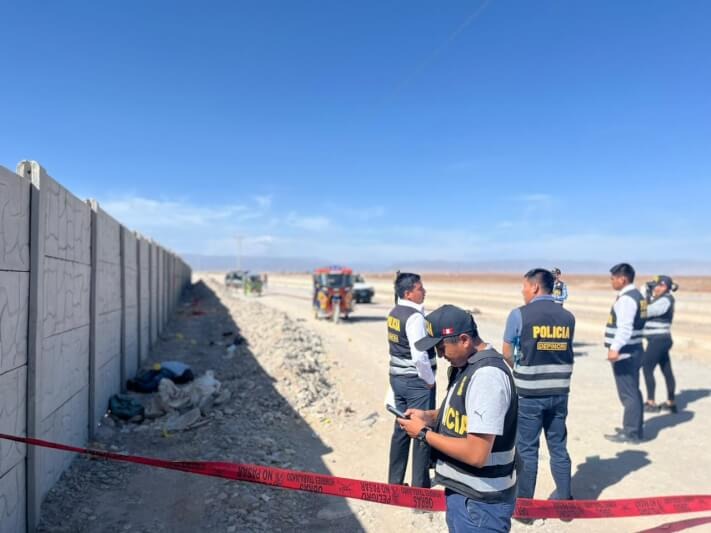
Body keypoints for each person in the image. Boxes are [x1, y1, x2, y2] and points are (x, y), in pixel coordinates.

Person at [398, 305, 518, 532]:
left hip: (480, 505)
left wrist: (423, 434)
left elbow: (476, 453)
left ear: (464, 340)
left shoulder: (487, 377)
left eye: (441, 347)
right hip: (465, 497)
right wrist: (429, 417)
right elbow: (464, 415)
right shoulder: (466, 366)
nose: (439, 355)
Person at [502, 268, 575, 505]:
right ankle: (565, 501)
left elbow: (506, 352)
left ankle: (525, 506)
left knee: (527, 449)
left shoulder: (518, 315)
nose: (522, 291)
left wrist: (519, 369)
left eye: (524, 286)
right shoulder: (568, 317)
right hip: (560, 393)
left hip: (529, 395)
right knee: (558, 446)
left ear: (534, 287)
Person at [387, 272, 437, 488]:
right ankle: (420, 488)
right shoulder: (414, 318)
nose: (424, 291)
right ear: (408, 293)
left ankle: (394, 483)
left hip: (398, 379)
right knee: (421, 431)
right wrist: (429, 380)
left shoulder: (395, 312)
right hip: (416, 382)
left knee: (401, 429)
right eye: (419, 288)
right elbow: (419, 356)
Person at [604, 263, 647, 443]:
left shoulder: (627, 299)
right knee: (633, 390)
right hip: (635, 349)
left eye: (613, 278)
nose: (611, 282)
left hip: (626, 352)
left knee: (628, 393)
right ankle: (635, 427)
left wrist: (615, 348)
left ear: (622, 279)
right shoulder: (638, 295)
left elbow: (625, 328)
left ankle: (631, 432)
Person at [642, 275, 678, 413]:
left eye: (661, 285)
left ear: (667, 287)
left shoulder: (666, 300)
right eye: (656, 285)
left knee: (647, 368)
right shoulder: (658, 299)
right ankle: (671, 402)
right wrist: (648, 294)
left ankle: (651, 402)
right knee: (667, 370)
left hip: (659, 340)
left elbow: (645, 312)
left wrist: (644, 296)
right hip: (660, 340)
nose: (657, 288)